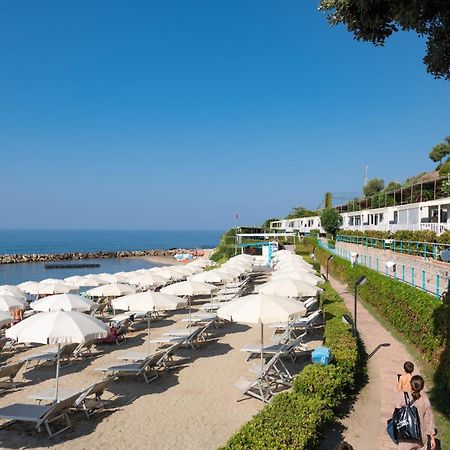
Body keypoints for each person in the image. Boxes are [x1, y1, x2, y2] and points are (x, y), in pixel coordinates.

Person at [397, 375, 436, 450]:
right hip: (420, 437)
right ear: (422, 387)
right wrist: (432, 438)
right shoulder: (425, 401)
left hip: (405, 435)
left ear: (410, 384)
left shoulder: (403, 397)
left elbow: (397, 414)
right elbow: (429, 421)